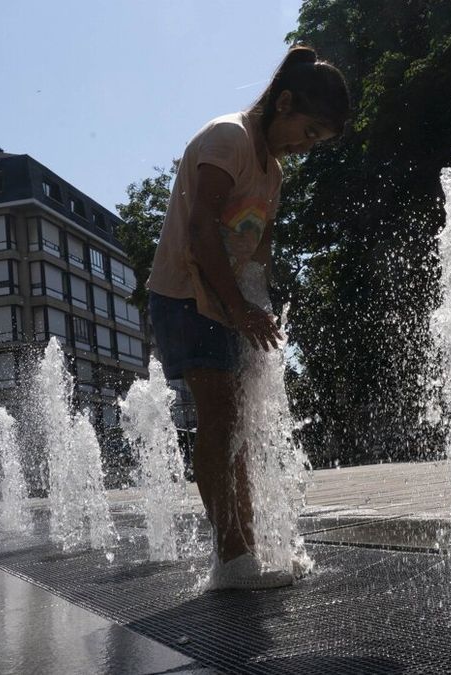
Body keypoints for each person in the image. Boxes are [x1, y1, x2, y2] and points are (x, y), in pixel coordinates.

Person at [147, 45, 350, 590]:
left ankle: (247, 551)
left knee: (237, 420)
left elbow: (257, 251)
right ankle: (232, 559)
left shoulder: (274, 171)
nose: (305, 148)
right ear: (283, 103)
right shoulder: (228, 139)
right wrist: (240, 311)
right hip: (186, 297)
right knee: (220, 417)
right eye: (307, 133)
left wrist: (258, 307)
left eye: (316, 143)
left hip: (226, 303)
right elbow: (201, 232)